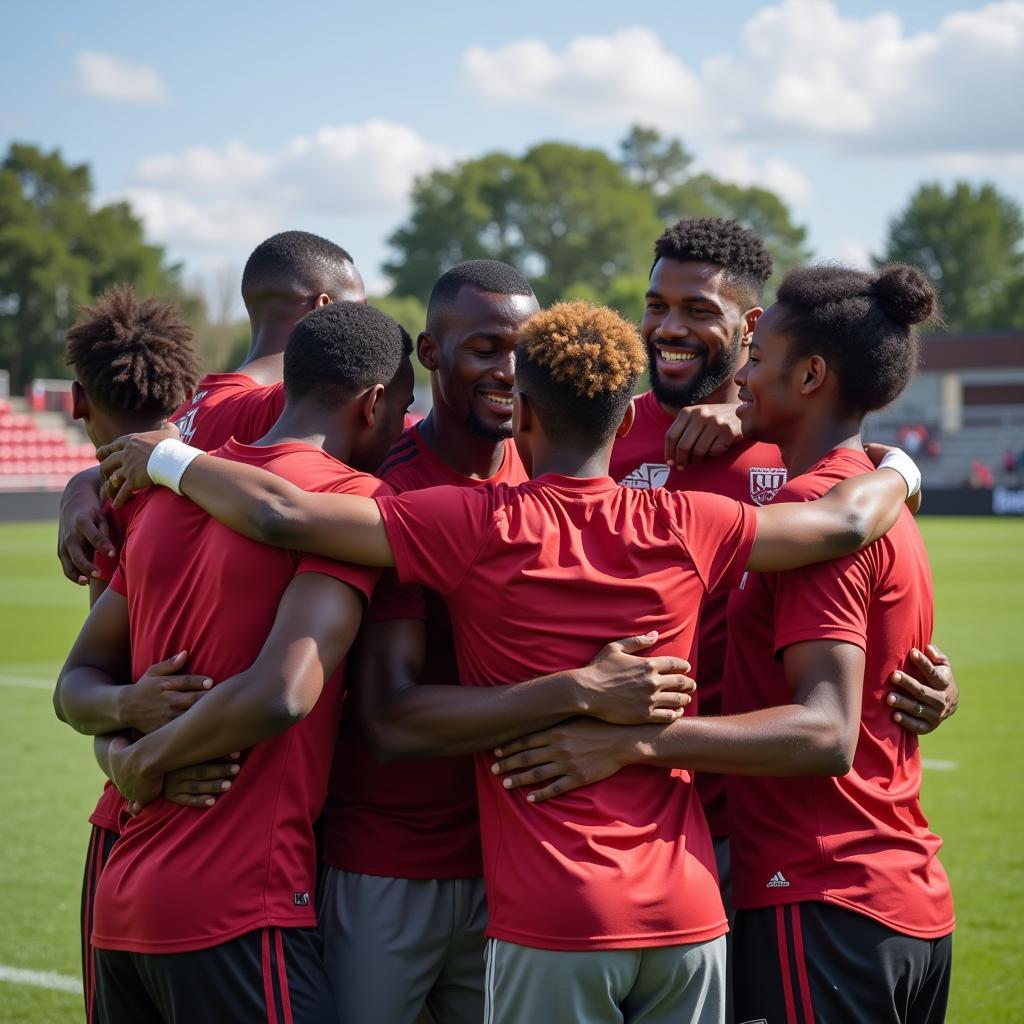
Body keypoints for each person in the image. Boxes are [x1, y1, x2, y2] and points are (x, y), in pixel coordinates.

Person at [100, 301, 920, 1024]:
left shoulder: (472, 522)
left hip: (556, 912)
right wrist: (900, 465)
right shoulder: (693, 520)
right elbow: (845, 525)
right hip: (690, 914)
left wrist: (168, 460)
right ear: (621, 417)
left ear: (523, 414)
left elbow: (282, 514)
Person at [490, 267, 955, 1023]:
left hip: (820, 887)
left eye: (758, 356)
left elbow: (825, 730)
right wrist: (897, 467)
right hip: (891, 891)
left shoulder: (820, 510)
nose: (741, 373)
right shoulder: (870, 494)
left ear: (809, 374)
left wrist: (635, 746)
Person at [326, 261, 699, 1024]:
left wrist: (733, 413)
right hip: (396, 862)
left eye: (522, 350)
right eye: (485, 348)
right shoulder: (388, 491)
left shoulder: (552, 456)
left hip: (527, 875)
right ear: (429, 354)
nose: (508, 369)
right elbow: (389, 720)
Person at [56, 302, 412, 1024]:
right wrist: (144, 755)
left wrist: (124, 733)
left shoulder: (166, 499)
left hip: (124, 902)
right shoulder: (348, 498)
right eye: (404, 410)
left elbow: (75, 682)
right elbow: (283, 694)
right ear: (375, 403)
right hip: (238, 907)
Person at [610, 219, 958, 929]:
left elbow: (868, 583)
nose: (669, 328)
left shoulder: (790, 452)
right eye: (655, 306)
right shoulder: (594, 432)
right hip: (620, 803)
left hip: (755, 820)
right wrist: (901, 470)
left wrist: (928, 681)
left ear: (751, 326)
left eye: (698, 310)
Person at [57, 284, 228, 1023]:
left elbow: (91, 687)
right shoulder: (234, 479)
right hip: (249, 823)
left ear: (75, 401)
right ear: (189, 393)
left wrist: (128, 742)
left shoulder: (114, 513)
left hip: (130, 820)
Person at [56, 230, 364, 584]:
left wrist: (82, 482)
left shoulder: (185, 411)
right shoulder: (289, 405)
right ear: (322, 308)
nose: (373, 330)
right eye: (362, 310)